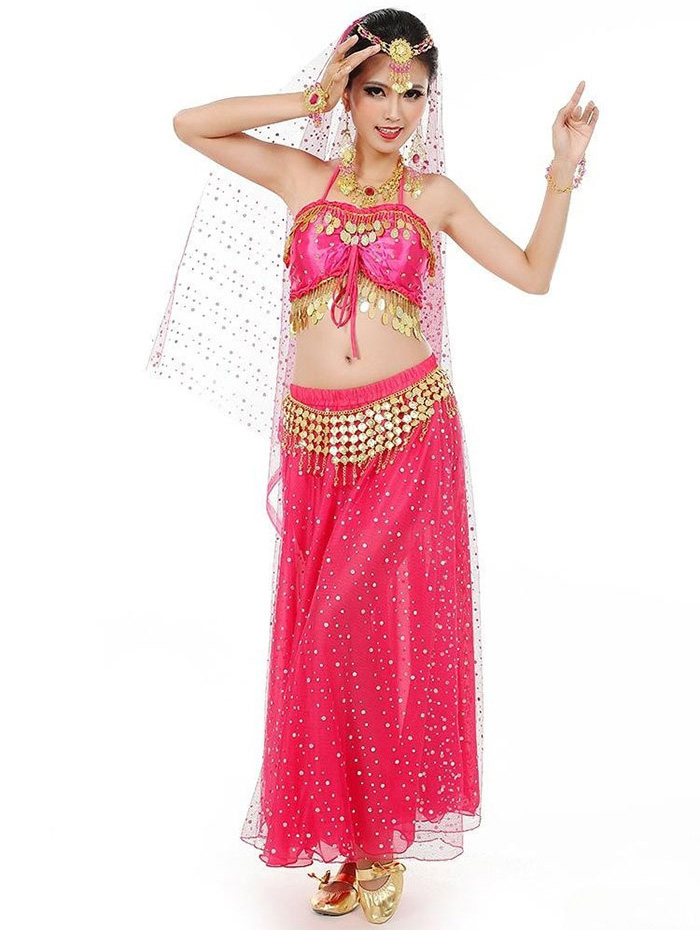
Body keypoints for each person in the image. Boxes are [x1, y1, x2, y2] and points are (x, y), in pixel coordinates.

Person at [148, 8, 598, 923]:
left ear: (432, 103)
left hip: (407, 439)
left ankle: (377, 837)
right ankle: (346, 839)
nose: (397, 111)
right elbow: (192, 124)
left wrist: (562, 170)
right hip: (318, 444)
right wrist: (305, 99)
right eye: (378, 90)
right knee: (326, 646)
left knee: (360, 638)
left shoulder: (434, 196)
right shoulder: (300, 176)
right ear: (348, 95)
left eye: (414, 94)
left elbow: (532, 273)